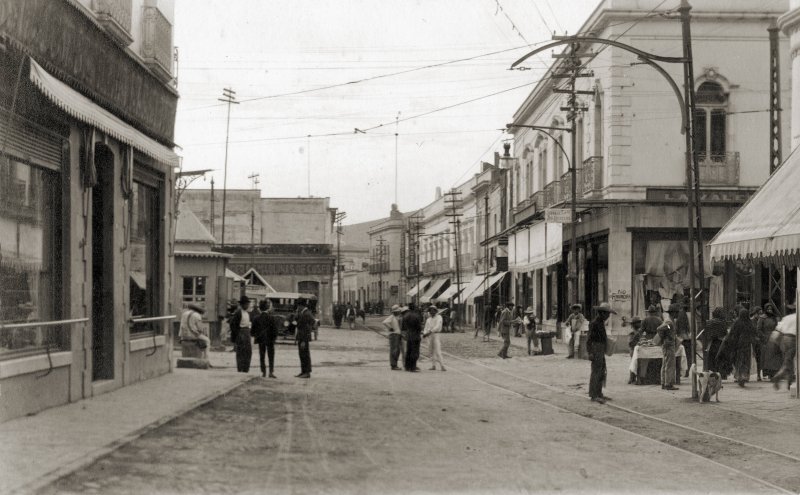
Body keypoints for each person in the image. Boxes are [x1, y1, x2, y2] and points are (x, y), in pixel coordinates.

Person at [588, 302, 615, 403]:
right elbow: (589, 339)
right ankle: (594, 395)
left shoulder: (600, 322)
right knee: (596, 372)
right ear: (602, 313)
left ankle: (599, 393)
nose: (608, 316)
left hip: (601, 348)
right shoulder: (594, 323)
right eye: (607, 314)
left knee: (601, 371)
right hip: (596, 348)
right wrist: (590, 352)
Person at [726, 308, 757, 387]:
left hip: (738, 345)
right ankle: (745, 376)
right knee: (746, 361)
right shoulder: (749, 322)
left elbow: (732, 333)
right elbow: (754, 333)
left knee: (739, 360)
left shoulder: (737, 322)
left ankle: (739, 376)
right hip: (747, 345)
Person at [772, 303, 797, 390]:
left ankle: (789, 383)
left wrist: (777, 342)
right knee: (788, 361)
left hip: (784, 338)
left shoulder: (786, 318)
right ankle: (778, 376)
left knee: (789, 360)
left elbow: (778, 329)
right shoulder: (797, 317)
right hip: (793, 339)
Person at [656, 303, 681, 391]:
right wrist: (668, 337)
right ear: (673, 313)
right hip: (669, 345)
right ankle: (668, 383)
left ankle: (664, 382)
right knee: (670, 364)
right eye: (677, 312)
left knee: (665, 364)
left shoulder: (670, 320)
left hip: (667, 344)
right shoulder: (669, 322)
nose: (678, 314)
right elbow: (660, 328)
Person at [252, 300, 279, 378]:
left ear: (260, 308)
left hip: (261, 339)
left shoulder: (256, 318)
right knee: (271, 356)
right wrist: (274, 339)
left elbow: (253, 331)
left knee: (262, 356)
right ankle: (271, 372)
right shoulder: (271, 318)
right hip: (270, 340)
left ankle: (263, 372)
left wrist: (256, 336)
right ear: (267, 308)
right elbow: (275, 330)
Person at [700, 307, 729, 372]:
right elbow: (725, 333)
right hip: (720, 342)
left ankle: (711, 373)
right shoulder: (722, 323)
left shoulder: (709, 322)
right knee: (720, 359)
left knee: (711, 359)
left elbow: (706, 333)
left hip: (710, 343)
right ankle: (720, 374)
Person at [228, 296, 253, 373]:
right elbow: (233, 324)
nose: (247, 306)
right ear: (242, 304)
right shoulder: (239, 312)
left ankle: (246, 368)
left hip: (247, 332)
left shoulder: (247, 313)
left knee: (248, 351)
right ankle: (241, 368)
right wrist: (237, 334)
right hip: (241, 332)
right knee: (241, 352)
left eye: (248, 304)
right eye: (246, 304)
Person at [759, 303, 781, 379]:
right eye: (768, 309)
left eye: (771, 309)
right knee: (767, 358)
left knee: (775, 357)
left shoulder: (774, 318)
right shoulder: (762, 318)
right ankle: (768, 373)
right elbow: (759, 330)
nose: (770, 311)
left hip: (774, 338)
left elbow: (777, 327)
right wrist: (764, 337)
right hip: (766, 339)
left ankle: (774, 373)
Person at [295, 300, 315, 378]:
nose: (297, 307)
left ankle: (307, 372)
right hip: (301, 337)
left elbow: (311, 324)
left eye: (298, 306)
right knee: (301, 354)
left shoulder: (307, 313)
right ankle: (303, 371)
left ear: (301, 306)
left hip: (304, 338)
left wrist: (304, 339)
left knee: (305, 355)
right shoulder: (302, 313)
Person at [423, 305, 446, 371]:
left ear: (435, 311)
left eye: (433, 311)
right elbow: (426, 328)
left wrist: (430, 331)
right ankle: (433, 365)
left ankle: (442, 365)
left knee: (438, 350)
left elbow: (438, 326)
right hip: (429, 336)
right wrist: (425, 333)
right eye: (430, 311)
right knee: (431, 350)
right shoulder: (428, 319)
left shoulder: (439, 317)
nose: (432, 312)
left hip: (436, 334)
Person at [383, 304, 405, 370]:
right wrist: (390, 328)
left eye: (398, 311)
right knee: (394, 350)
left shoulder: (398, 317)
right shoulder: (392, 317)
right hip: (393, 335)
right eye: (397, 311)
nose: (398, 312)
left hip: (398, 334)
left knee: (397, 350)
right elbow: (385, 322)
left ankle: (395, 364)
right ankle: (393, 365)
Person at [403, 303, 423, 371]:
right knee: (415, 351)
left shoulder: (406, 315)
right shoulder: (416, 316)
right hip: (415, 335)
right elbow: (419, 327)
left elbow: (403, 326)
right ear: (414, 307)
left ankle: (407, 366)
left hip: (409, 334)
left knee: (409, 350)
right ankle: (413, 366)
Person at [675, 301, 692, 377]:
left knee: (682, 356)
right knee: (688, 356)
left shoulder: (679, 314)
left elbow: (675, 327)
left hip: (681, 338)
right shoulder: (689, 314)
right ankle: (686, 371)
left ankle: (684, 372)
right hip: (687, 337)